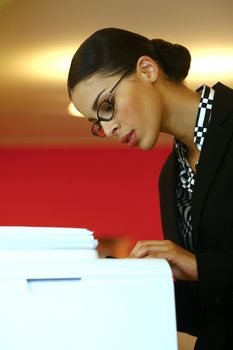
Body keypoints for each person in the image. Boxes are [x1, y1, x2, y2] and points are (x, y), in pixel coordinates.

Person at [67, 27, 233, 349]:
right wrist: (130, 281)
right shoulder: (169, 175)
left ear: (147, 70)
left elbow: (208, 272)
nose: (109, 128)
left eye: (107, 105)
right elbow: (208, 311)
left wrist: (200, 266)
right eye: (97, 123)